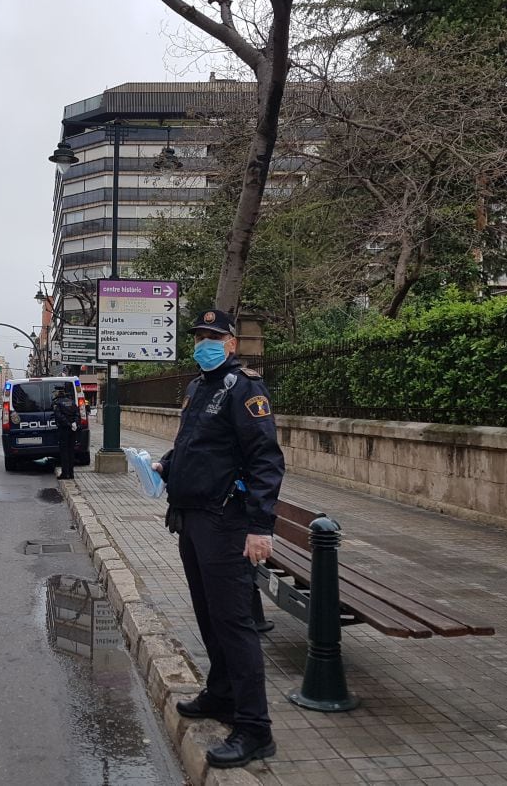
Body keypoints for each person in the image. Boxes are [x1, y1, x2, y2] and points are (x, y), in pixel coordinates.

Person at [153, 309, 285, 769]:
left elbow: (266, 460)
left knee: (234, 624)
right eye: (200, 335)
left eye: (213, 336)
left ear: (231, 343)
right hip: (191, 519)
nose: (204, 342)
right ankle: (222, 693)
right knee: (208, 615)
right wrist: (165, 465)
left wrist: (261, 527)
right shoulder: (198, 387)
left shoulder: (245, 390)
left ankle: (255, 728)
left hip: (227, 523)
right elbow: (193, 443)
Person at [52, 385, 80, 480]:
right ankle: (71, 474)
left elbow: (59, 416)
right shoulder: (71, 402)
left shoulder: (57, 403)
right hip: (73, 429)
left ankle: (65, 473)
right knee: (71, 451)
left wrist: (68, 424)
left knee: (64, 452)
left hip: (64, 430)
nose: (54, 393)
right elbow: (77, 414)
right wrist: (74, 423)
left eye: (55, 391)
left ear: (58, 392)